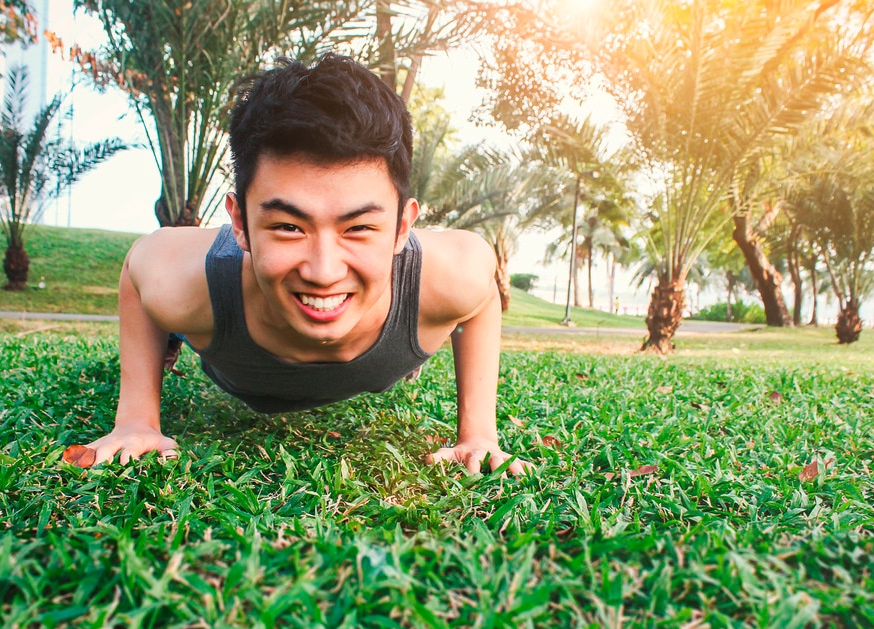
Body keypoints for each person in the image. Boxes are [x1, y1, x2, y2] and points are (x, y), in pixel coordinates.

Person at [64, 53, 530, 476]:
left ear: (402, 227)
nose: (323, 271)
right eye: (289, 226)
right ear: (239, 223)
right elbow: (136, 270)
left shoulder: (456, 273)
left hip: (398, 336)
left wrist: (478, 435)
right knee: (172, 312)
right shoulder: (181, 282)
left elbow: (483, 296)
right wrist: (136, 419)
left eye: (358, 228)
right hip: (224, 341)